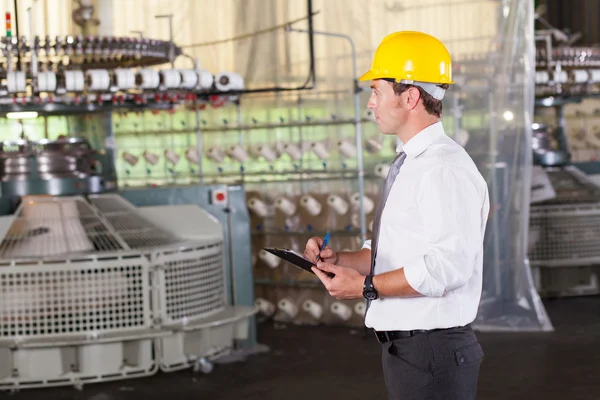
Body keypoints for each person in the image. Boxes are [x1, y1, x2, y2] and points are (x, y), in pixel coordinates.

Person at [304, 31, 490, 400]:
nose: (370, 104)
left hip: (432, 353)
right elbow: (389, 253)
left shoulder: (442, 169)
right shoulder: (411, 163)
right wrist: (341, 260)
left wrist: (364, 287)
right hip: (410, 352)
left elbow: (447, 267)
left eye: (376, 91)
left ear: (410, 97)